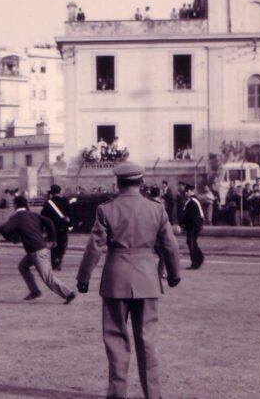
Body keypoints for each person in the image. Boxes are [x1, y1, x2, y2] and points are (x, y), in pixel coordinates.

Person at [76, 161, 181, 399]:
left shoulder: (106, 209)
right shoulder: (157, 209)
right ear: (141, 182)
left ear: (118, 183)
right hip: (147, 279)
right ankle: (153, 394)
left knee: (115, 340)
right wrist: (174, 274)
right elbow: (170, 246)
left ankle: (117, 393)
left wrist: (84, 277)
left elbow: (94, 247)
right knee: (147, 340)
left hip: (115, 280)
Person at [0, 196, 76, 303]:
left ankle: (69, 293)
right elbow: (49, 222)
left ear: (15, 205)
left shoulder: (16, 217)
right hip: (37, 249)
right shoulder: (33, 214)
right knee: (23, 266)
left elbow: (5, 228)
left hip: (36, 250)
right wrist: (52, 238)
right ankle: (34, 291)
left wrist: (10, 237)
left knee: (48, 278)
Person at [41, 184, 73, 271]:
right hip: (63, 226)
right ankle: (59, 259)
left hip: (52, 227)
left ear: (52, 193)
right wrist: (70, 224)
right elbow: (71, 214)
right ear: (60, 192)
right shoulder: (66, 201)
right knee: (62, 244)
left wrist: (43, 227)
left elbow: (43, 216)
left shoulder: (48, 203)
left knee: (54, 244)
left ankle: (54, 261)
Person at [181, 184, 205, 269]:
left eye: (187, 191)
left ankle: (196, 261)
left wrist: (183, 225)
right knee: (192, 242)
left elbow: (189, 216)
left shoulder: (192, 202)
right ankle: (198, 258)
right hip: (195, 225)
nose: (186, 193)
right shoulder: (194, 200)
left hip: (193, 226)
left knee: (191, 243)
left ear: (190, 191)